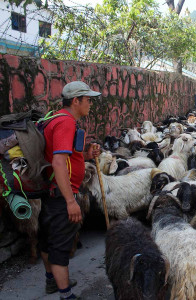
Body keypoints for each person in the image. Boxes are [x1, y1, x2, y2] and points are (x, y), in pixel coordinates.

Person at [39, 81, 101, 299]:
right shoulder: (66, 123)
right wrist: (70, 201)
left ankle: (51, 282)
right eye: (88, 100)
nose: (90, 104)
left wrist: (86, 156)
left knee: (48, 240)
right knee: (60, 247)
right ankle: (66, 295)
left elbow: (65, 158)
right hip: (61, 194)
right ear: (76, 101)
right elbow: (58, 163)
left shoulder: (55, 119)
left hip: (51, 191)